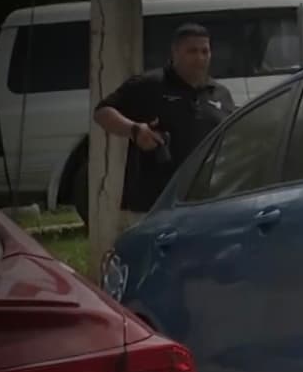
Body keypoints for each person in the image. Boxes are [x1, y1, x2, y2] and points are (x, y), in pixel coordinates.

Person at [93, 23, 235, 229]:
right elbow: (102, 112)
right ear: (175, 52)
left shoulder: (221, 94)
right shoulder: (148, 85)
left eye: (205, 51)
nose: (200, 58)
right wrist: (135, 130)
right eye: (192, 51)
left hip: (205, 202)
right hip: (154, 204)